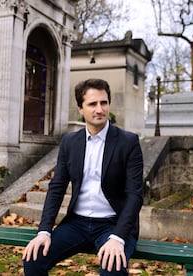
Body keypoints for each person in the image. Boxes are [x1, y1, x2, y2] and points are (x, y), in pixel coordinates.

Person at [22, 78, 144, 275]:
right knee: (33, 260)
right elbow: (57, 187)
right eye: (92, 104)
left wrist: (118, 237)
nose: (99, 109)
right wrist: (44, 231)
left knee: (113, 269)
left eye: (104, 103)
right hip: (77, 224)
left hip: (113, 224)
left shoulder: (128, 142)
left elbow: (135, 195)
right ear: (80, 108)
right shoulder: (70, 142)